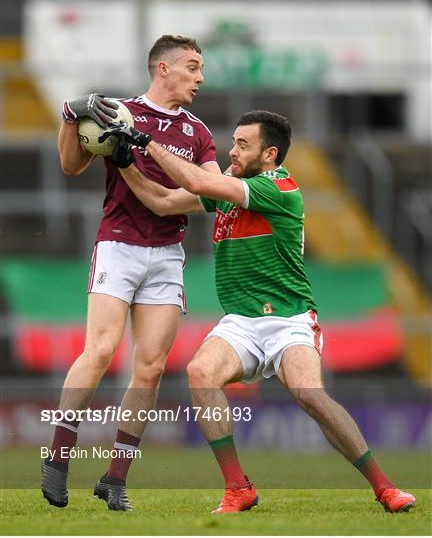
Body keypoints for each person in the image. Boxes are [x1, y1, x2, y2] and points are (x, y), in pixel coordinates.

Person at [98, 111, 417, 514]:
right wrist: (125, 162)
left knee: (308, 393)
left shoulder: (277, 186)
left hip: (289, 318)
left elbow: (195, 180)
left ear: (269, 155)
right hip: (241, 322)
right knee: (200, 373)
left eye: (242, 145)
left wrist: (144, 142)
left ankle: (385, 488)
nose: (232, 150)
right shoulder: (230, 188)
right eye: (233, 140)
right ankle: (238, 488)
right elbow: (161, 201)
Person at [41, 35, 220, 511]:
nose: (200, 77)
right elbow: (69, 164)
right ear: (162, 68)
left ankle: (115, 477)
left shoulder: (199, 134)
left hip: (166, 254)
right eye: (192, 66)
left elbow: (207, 191)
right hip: (118, 246)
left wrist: (133, 165)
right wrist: (69, 116)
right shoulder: (116, 113)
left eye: (200, 68)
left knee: (152, 368)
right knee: (99, 350)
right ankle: (57, 458)